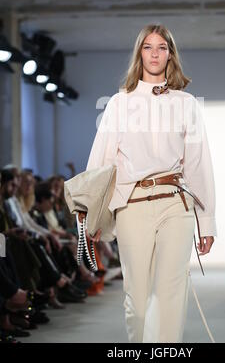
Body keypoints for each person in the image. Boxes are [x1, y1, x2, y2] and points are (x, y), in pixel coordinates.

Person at [82, 23, 217, 343]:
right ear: (139, 53)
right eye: (148, 47)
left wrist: (206, 221)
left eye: (161, 47)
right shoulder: (120, 103)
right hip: (132, 206)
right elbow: (101, 161)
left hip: (175, 202)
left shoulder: (186, 104)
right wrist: (91, 215)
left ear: (170, 54)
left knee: (171, 294)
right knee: (138, 300)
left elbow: (198, 163)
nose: (155, 54)